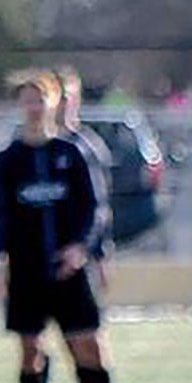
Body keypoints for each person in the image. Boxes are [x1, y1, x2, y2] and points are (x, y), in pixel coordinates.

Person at [0, 70, 129, 383]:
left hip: (69, 270)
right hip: (27, 270)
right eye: (27, 101)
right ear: (20, 106)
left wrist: (82, 249)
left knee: (89, 345)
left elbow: (93, 210)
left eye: (41, 100)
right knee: (29, 348)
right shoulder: (8, 160)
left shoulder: (72, 153)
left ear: (55, 103)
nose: (34, 108)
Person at [52, 66, 116, 292]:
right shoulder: (30, 148)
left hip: (78, 254)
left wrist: (99, 256)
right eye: (55, 97)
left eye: (65, 97)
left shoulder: (87, 148)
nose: (60, 104)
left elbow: (99, 206)